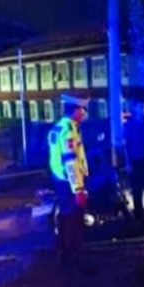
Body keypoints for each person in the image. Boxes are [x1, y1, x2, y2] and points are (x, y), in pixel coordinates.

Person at [47, 94, 90, 264]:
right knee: (73, 219)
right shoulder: (68, 132)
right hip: (70, 182)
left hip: (61, 179)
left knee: (66, 217)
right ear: (76, 110)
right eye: (83, 109)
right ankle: (73, 256)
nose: (85, 113)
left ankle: (65, 252)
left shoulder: (58, 127)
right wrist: (78, 189)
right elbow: (70, 161)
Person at [123, 97, 144, 222]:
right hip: (135, 162)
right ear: (135, 108)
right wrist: (128, 163)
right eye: (142, 106)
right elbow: (126, 145)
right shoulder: (129, 124)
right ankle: (138, 218)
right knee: (137, 191)